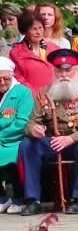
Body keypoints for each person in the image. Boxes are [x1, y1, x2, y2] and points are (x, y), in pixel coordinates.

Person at [19, 49, 78, 215]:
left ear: (76, 71)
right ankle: (32, 200)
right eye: (59, 70)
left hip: (77, 141)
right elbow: (31, 121)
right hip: (51, 142)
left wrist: (70, 139)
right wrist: (34, 129)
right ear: (54, 71)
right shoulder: (44, 93)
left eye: (68, 70)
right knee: (27, 145)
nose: (64, 75)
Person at [0, 57, 33, 214]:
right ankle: (2, 197)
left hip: (15, 139)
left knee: (9, 155)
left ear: (12, 76)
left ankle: (18, 198)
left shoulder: (23, 92)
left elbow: (21, 122)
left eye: (6, 78)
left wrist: (2, 135)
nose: (2, 82)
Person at [10, 11, 60, 97]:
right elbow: (17, 78)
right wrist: (35, 94)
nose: (38, 32)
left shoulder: (54, 48)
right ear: (25, 31)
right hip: (30, 98)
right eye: (34, 29)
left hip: (55, 96)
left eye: (40, 28)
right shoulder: (16, 52)